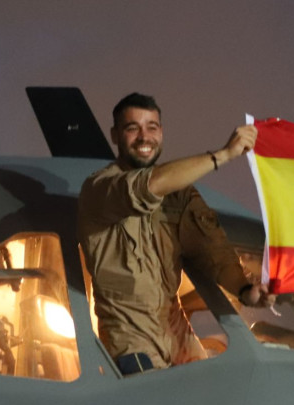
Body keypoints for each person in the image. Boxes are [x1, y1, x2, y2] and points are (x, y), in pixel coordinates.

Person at [77, 93, 274, 375]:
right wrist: (223, 155)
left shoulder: (180, 195)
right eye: (132, 128)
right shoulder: (101, 189)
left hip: (176, 330)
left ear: (162, 132)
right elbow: (149, 186)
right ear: (115, 135)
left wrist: (246, 290)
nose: (144, 137)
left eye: (152, 127)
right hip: (131, 338)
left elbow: (213, 251)